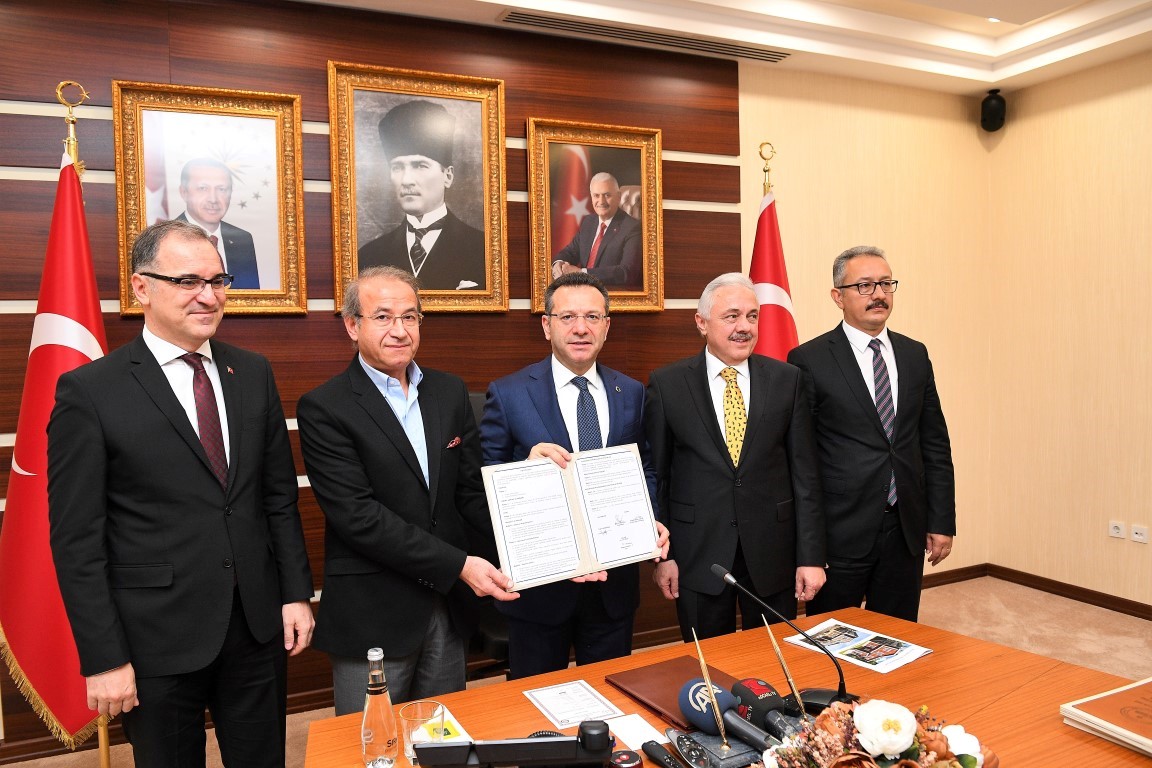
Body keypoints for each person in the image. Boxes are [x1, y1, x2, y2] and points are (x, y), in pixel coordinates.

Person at [47, 219, 314, 767]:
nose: (208, 296)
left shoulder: (252, 372)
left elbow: (277, 498)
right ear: (142, 287)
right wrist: (104, 658)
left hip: (256, 626)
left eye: (218, 281)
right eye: (188, 281)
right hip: (155, 639)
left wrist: (294, 594)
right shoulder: (90, 391)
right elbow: (77, 540)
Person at [296, 265, 516, 715]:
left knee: (442, 735)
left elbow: (470, 494)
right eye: (383, 317)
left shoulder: (449, 391)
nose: (399, 330)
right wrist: (459, 565)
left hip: (448, 607)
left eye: (410, 317)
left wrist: (544, 546)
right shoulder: (325, 407)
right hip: (375, 611)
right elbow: (359, 518)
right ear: (352, 326)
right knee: (371, 741)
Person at [479, 272, 669, 678]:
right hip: (540, 590)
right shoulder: (509, 393)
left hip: (613, 586)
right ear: (547, 325)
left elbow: (646, 468)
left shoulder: (632, 392)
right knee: (535, 698)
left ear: (606, 326)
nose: (580, 328)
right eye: (567, 317)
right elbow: (486, 484)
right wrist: (526, 471)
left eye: (592, 317)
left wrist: (649, 518)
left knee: (611, 693)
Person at [644, 273, 825, 641]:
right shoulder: (668, 384)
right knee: (707, 664)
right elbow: (657, 477)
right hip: (697, 553)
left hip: (773, 552)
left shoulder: (787, 380)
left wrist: (810, 557)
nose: (744, 327)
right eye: (731, 316)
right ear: (701, 322)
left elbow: (806, 476)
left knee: (774, 658)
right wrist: (665, 557)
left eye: (752, 316)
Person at [787, 246, 955, 622]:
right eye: (864, 285)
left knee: (899, 635)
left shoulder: (914, 354)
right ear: (838, 296)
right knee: (833, 635)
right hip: (841, 530)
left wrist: (941, 520)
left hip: (905, 527)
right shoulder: (809, 360)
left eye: (885, 283)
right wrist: (809, 546)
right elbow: (802, 460)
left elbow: (934, 443)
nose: (878, 294)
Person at [357, 100, 486, 291]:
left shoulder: (482, 249)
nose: (407, 180)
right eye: (397, 167)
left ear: (447, 176)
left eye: (420, 166)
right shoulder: (370, 255)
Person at [176, 157, 261, 289]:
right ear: (184, 192)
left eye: (221, 189)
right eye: (203, 188)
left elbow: (251, 295)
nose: (213, 199)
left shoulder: (243, 239)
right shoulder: (166, 239)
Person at [553, 172, 642, 290]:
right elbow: (570, 251)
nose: (601, 201)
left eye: (607, 195)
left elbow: (627, 272)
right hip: (581, 292)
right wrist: (558, 263)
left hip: (609, 294)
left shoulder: (632, 227)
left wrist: (581, 273)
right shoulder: (589, 222)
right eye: (596, 195)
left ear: (619, 197)